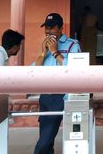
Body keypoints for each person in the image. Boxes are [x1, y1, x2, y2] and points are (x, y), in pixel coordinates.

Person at [33, 13, 81, 154]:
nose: (48, 31)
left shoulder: (73, 44)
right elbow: (34, 70)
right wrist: (43, 53)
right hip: (46, 96)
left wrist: (55, 52)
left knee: (43, 143)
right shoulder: (46, 46)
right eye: (46, 28)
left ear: (61, 28)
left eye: (52, 28)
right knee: (47, 142)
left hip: (61, 96)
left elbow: (76, 70)